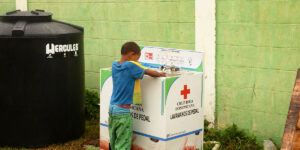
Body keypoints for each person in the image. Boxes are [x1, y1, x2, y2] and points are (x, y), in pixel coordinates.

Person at [108, 41, 166, 150]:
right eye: (137, 58)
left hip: (112, 109)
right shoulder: (131, 66)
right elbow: (150, 73)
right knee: (123, 144)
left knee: (114, 141)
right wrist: (160, 74)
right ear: (131, 54)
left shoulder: (115, 65)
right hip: (122, 113)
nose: (137, 61)